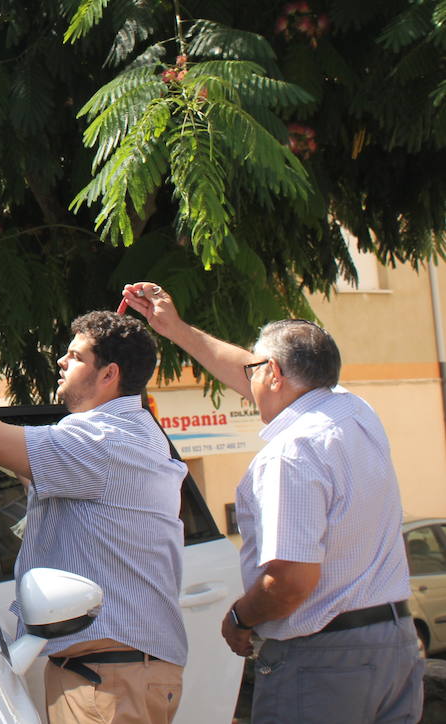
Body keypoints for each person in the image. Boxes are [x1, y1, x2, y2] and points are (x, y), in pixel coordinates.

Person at [120, 282, 422, 723]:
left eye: (255, 369)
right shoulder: (355, 412)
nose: (247, 377)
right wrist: (178, 330)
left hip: (323, 660)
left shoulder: (291, 453)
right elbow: (252, 367)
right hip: (393, 644)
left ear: (274, 375)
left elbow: (291, 582)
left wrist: (240, 619)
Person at [0, 311, 188, 724]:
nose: (61, 361)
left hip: (107, 677)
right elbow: (13, 468)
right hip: (112, 671)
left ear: (109, 373)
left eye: (75, 356)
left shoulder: (100, 441)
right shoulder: (121, 437)